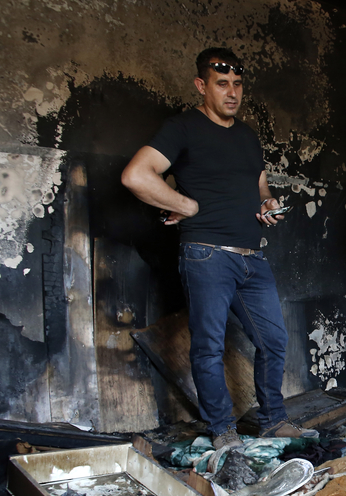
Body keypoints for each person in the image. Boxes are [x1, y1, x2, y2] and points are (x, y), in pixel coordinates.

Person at [122, 47, 310, 449]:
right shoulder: (183, 127)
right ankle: (222, 429)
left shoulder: (247, 135)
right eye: (222, 84)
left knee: (273, 340)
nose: (232, 92)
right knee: (208, 346)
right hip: (206, 255)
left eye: (237, 84)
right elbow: (136, 175)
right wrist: (184, 205)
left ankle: (273, 420)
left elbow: (259, 184)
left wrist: (267, 203)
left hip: (251, 257)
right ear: (201, 86)